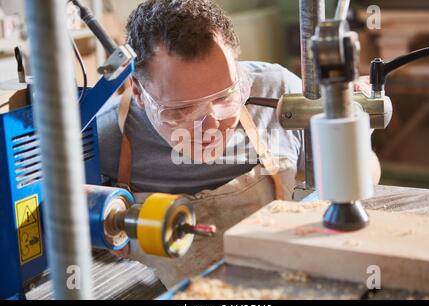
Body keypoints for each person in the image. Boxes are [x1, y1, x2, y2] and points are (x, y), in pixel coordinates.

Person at [97, 0, 381, 289]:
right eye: (180, 110)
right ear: (139, 92)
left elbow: (368, 174)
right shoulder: (103, 138)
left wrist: (353, 138)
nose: (209, 126)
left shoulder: (282, 94)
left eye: (224, 99)